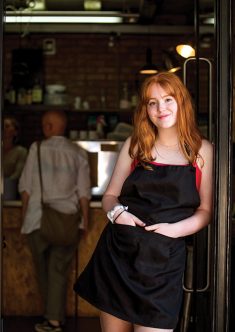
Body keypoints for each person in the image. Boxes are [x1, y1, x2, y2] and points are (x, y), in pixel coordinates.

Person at [74, 72, 213, 332]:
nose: (161, 108)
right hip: (120, 255)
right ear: (145, 109)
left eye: (168, 99)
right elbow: (109, 196)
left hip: (164, 260)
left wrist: (175, 230)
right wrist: (117, 214)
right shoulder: (136, 145)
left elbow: (206, 211)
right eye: (152, 102)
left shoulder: (201, 150)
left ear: (182, 102)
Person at [19, 110, 91, 332]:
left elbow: (26, 188)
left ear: (49, 127)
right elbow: (84, 193)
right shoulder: (78, 153)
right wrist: (86, 221)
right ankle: (55, 319)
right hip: (67, 222)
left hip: (38, 220)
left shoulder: (36, 149)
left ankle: (52, 320)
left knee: (43, 272)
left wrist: (23, 217)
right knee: (59, 271)